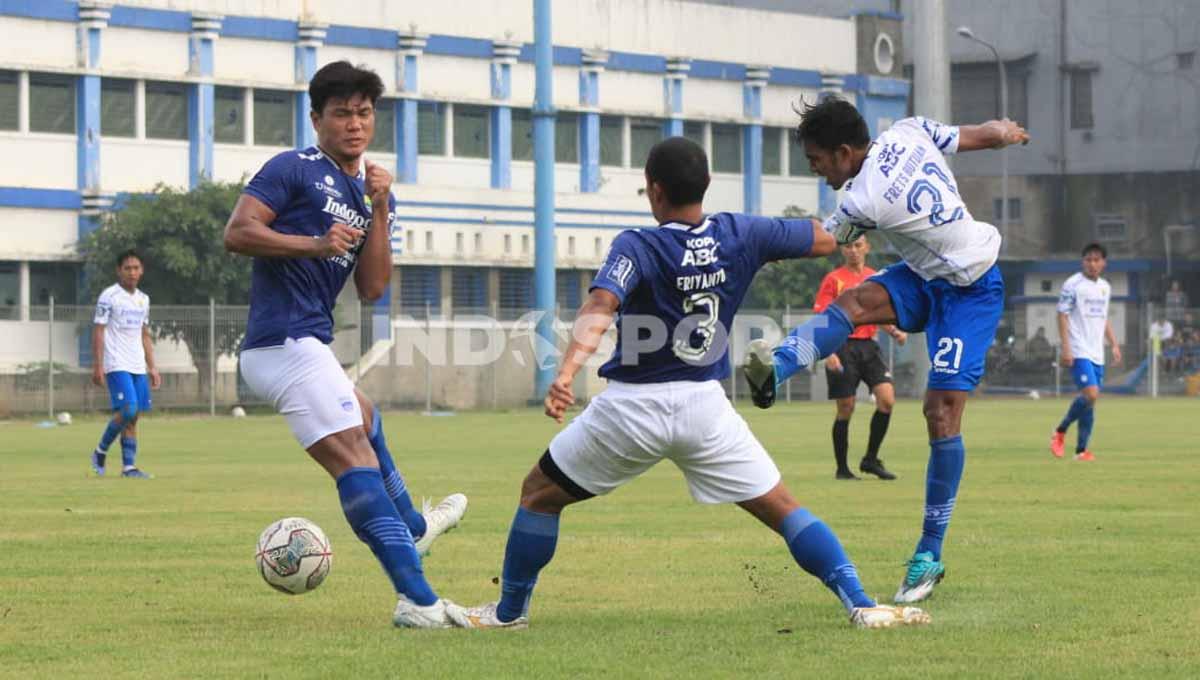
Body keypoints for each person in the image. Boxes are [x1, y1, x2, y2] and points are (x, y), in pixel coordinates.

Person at [446, 137, 931, 631]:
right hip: (705, 408)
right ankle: (861, 603)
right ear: (707, 184)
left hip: (632, 410)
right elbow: (826, 239)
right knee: (785, 510)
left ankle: (509, 613)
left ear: (654, 190)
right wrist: (877, 201)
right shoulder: (741, 232)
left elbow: (600, 305)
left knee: (538, 494)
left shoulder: (638, 245)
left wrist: (567, 372)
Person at [742, 97, 1028, 604]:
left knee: (940, 411)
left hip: (971, 289)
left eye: (817, 160)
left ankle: (929, 553)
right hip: (923, 276)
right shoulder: (908, 129)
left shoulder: (863, 199)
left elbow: (821, 241)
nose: (815, 170)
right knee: (851, 303)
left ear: (844, 152)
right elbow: (978, 134)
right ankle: (776, 370)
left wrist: (753, 243)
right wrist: (1005, 131)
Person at [223, 61, 466, 629]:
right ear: (316, 119)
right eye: (340, 114)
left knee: (366, 419)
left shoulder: (372, 192)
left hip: (307, 340)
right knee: (355, 459)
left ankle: (414, 529)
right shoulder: (293, 168)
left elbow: (373, 288)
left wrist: (380, 207)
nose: (354, 124)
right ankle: (418, 602)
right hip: (282, 341)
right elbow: (237, 232)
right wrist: (314, 243)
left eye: (363, 113)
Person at [811, 234, 907, 480]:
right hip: (842, 345)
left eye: (858, 245)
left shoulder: (876, 278)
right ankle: (842, 469)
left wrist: (894, 331)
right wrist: (828, 352)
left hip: (869, 346)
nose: (853, 250)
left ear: (867, 248)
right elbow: (822, 318)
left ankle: (870, 459)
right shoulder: (834, 280)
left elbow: (877, 313)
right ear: (842, 250)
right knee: (846, 407)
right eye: (848, 246)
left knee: (886, 400)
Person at [89, 249, 160, 479]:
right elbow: (99, 330)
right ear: (119, 270)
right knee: (128, 409)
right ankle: (100, 451)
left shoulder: (143, 299)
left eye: (136, 268)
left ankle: (129, 467)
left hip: (137, 364)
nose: (132, 272)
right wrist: (98, 365)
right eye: (127, 268)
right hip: (116, 362)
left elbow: (144, 334)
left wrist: (152, 366)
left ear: (142, 270)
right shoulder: (109, 296)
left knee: (134, 415)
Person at [1050, 243, 1121, 461]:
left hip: (1096, 351)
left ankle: (1081, 451)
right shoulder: (1073, 284)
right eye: (1088, 259)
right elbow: (1062, 314)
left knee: (1090, 401)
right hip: (1078, 348)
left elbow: (1103, 318)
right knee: (1091, 393)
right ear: (1083, 262)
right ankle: (1060, 431)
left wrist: (1114, 344)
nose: (1092, 263)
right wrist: (1066, 347)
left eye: (1096, 260)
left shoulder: (1105, 287)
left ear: (1103, 263)